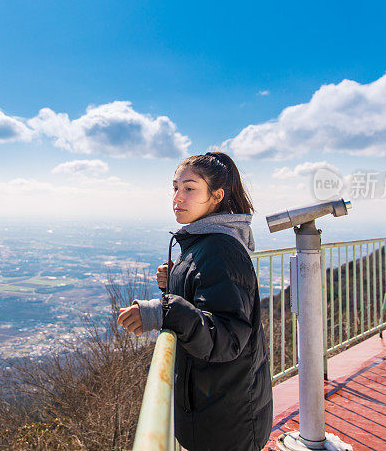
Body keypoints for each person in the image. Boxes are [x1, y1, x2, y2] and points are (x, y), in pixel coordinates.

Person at [117, 152, 273, 451]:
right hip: (215, 405)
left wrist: (163, 310)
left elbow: (226, 337)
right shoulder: (205, 243)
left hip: (228, 416)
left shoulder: (221, 249)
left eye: (190, 188)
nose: (178, 197)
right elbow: (208, 300)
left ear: (216, 196)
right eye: (175, 187)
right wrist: (176, 280)